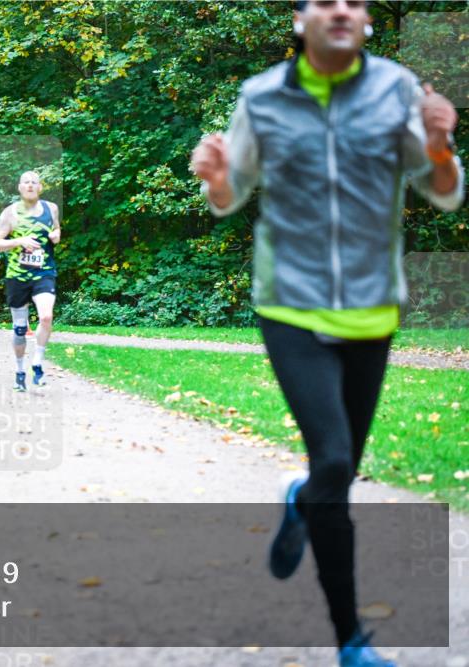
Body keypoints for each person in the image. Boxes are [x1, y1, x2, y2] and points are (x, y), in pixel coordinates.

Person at [191, 1, 463, 665]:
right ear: (301, 17)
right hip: (291, 304)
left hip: (373, 310)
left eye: (354, 0)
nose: (342, 8)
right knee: (335, 462)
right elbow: (229, 197)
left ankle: (300, 499)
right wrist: (218, 180)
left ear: (364, 20)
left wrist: (439, 141)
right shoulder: (261, 98)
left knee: (332, 475)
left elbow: (444, 190)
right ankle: (351, 640)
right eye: (326, 0)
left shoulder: (397, 89)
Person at [0, 171, 61, 392]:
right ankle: (20, 370)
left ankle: (37, 364)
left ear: (40, 187)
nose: (30, 186)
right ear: (19, 187)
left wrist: (56, 235)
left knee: (46, 316)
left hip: (43, 272)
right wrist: (19, 241)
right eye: (26, 182)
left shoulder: (51, 209)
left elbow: (56, 228)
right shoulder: (10, 213)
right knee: (20, 329)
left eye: (34, 182)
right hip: (17, 276)